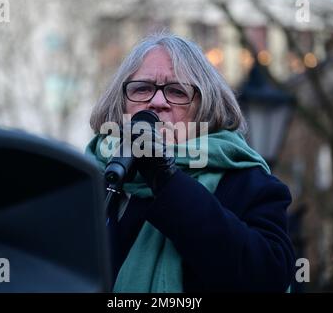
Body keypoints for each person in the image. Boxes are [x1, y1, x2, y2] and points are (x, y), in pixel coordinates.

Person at [86, 32, 295, 292]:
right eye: (142, 88)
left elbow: (268, 277)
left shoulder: (246, 183)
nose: (157, 102)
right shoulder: (88, 179)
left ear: (205, 108)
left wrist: (167, 180)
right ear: (121, 105)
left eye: (176, 91)